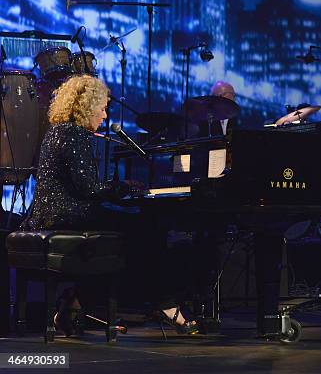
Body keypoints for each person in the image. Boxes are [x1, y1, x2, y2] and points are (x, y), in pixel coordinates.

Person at [21, 75, 198, 336]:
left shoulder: (57, 131)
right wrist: (124, 187)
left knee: (130, 230)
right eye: (102, 108)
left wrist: (117, 190)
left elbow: (82, 186)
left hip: (50, 215)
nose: (104, 115)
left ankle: (75, 303)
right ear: (86, 107)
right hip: (67, 216)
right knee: (145, 229)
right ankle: (165, 303)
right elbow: (91, 190)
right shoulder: (73, 134)